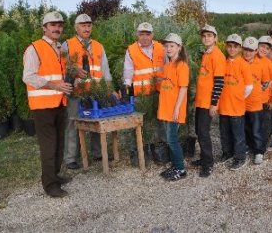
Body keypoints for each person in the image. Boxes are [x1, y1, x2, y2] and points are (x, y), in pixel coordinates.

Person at [23, 11, 73, 198]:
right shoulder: (34, 49)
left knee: (59, 143)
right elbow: (28, 76)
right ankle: (50, 185)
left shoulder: (60, 48)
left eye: (60, 25)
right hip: (43, 106)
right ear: (44, 28)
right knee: (49, 145)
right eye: (53, 25)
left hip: (59, 102)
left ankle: (55, 175)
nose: (57, 28)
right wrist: (54, 85)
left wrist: (75, 74)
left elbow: (59, 74)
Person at [62, 13, 113, 170]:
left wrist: (110, 89)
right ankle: (70, 158)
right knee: (73, 123)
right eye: (83, 25)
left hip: (96, 92)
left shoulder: (98, 46)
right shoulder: (67, 45)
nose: (86, 28)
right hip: (76, 92)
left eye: (89, 25)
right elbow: (61, 69)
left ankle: (98, 153)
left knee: (97, 122)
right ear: (76, 27)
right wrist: (74, 70)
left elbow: (105, 70)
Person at [123, 22, 166, 162]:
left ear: (152, 35)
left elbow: (168, 67)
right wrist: (126, 87)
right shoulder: (131, 50)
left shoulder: (161, 47)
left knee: (158, 123)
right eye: (142, 34)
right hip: (140, 95)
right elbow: (128, 71)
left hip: (159, 93)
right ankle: (140, 154)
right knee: (140, 125)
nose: (145, 37)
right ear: (137, 35)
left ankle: (158, 152)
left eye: (148, 34)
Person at [192, 24, 226, 177]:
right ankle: (204, 158)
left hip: (208, 103)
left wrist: (214, 103)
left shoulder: (218, 56)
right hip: (200, 101)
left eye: (209, 36)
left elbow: (219, 82)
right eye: (204, 36)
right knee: (199, 130)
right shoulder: (206, 54)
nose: (206, 38)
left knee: (204, 132)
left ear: (215, 38)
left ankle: (208, 163)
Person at [158, 33, 189, 181]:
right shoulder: (168, 65)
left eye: (172, 46)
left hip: (174, 110)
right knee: (169, 139)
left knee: (172, 140)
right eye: (166, 46)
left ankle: (181, 169)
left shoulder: (182, 65)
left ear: (179, 48)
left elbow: (183, 88)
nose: (168, 48)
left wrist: (177, 108)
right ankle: (175, 165)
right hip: (165, 109)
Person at [219, 34, 252, 171]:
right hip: (223, 106)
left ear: (240, 48)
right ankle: (227, 153)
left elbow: (249, 86)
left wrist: (239, 97)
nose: (232, 49)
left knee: (238, 135)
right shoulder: (223, 63)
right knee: (224, 133)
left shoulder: (243, 64)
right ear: (227, 47)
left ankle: (240, 158)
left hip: (236, 107)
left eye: (235, 46)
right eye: (230, 46)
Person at [242, 37, 269, 164]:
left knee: (257, 129)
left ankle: (259, 151)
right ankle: (248, 146)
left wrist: (257, 91)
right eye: (246, 49)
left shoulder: (261, 64)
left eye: (251, 50)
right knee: (245, 127)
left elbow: (266, 82)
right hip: (241, 103)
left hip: (255, 102)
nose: (248, 53)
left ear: (256, 51)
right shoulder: (239, 62)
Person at [257, 36, 272, 154]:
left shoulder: (270, 64)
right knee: (251, 126)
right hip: (248, 101)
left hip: (263, 100)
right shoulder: (249, 58)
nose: (264, 49)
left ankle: (261, 150)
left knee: (264, 125)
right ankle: (252, 145)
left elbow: (271, 84)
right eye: (262, 46)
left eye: (267, 48)